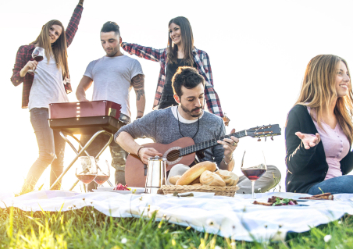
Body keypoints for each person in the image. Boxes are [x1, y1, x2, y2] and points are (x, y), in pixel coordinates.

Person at [114, 67, 280, 193]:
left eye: (201, 96)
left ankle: (217, 194)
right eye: (191, 99)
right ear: (178, 98)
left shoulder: (215, 123)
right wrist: (139, 150)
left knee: (272, 172)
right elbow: (120, 135)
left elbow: (224, 170)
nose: (199, 104)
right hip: (171, 183)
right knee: (179, 169)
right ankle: (224, 195)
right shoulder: (159, 117)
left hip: (208, 183)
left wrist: (229, 155)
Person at [12, 0, 84, 193]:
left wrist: (81, 2)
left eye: (57, 33)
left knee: (58, 160)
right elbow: (14, 80)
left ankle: (54, 198)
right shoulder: (27, 50)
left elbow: (72, 28)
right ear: (45, 29)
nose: (54, 34)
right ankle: (24, 193)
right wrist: (26, 68)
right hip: (40, 108)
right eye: (51, 30)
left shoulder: (59, 52)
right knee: (47, 154)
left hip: (61, 111)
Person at [284, 55, 353, 195]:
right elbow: (292, 166)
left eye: (347, 74)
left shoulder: (341, 118)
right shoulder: (300, 112)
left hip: (339, 185)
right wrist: (305, 147)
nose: (347, 79)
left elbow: (342, 167)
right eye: (339, 73)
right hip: (310, 190)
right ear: (322, 76)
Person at [76, 21, 145, 185]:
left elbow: (140, 92)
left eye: (111, 41)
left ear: (120, 40)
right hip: (96, 118)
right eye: (103, 41)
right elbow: (80, 89)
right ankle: (90, 200)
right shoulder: (94, 64)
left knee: (121, 162)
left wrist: (140, 117)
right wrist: (85, 102)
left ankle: (120, 200)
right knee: (86, 159)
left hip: (120, 119)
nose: (107, 45)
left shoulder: (132, 63)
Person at [121, 16, 228, 122]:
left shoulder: (201, 56)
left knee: (188, 138)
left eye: (176, 29)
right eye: (170, 31)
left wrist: (218, 117)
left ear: (185, 30)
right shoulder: (166, 54)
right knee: (163, 138)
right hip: (167, 104)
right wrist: (122, 44)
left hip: (190, 104)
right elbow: (144, 51)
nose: (172, 34)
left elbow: (208, 87)